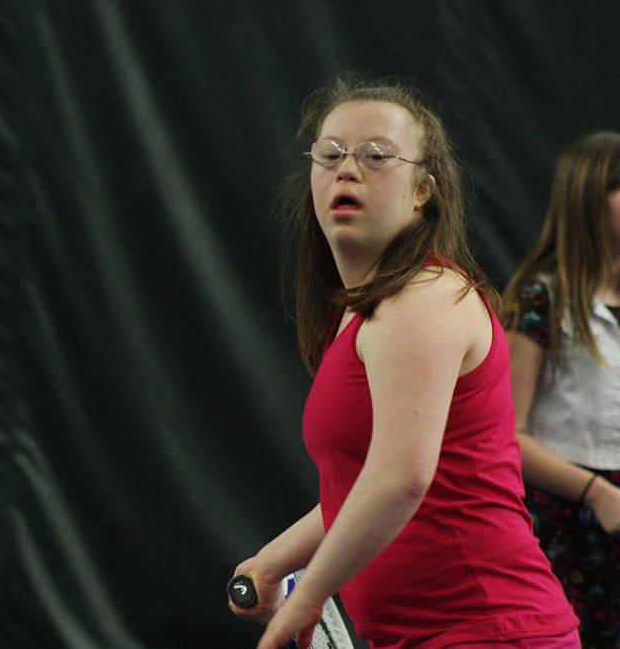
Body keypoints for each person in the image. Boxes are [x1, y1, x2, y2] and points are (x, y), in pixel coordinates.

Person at [228, 76, 579, 649]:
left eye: (376, 156)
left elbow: (401, 479)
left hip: (489, 633)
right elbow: (362, 485)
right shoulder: (364, 312)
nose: (347, 170)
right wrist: (273, 564)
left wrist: (311, 593)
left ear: (423, 191)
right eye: (330, 154)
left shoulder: (424, 298)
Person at [502, 131, 620, 648]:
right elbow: (508, 435)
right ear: (591, 200)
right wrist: (596, 493)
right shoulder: (541, 301)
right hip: (569, 518)